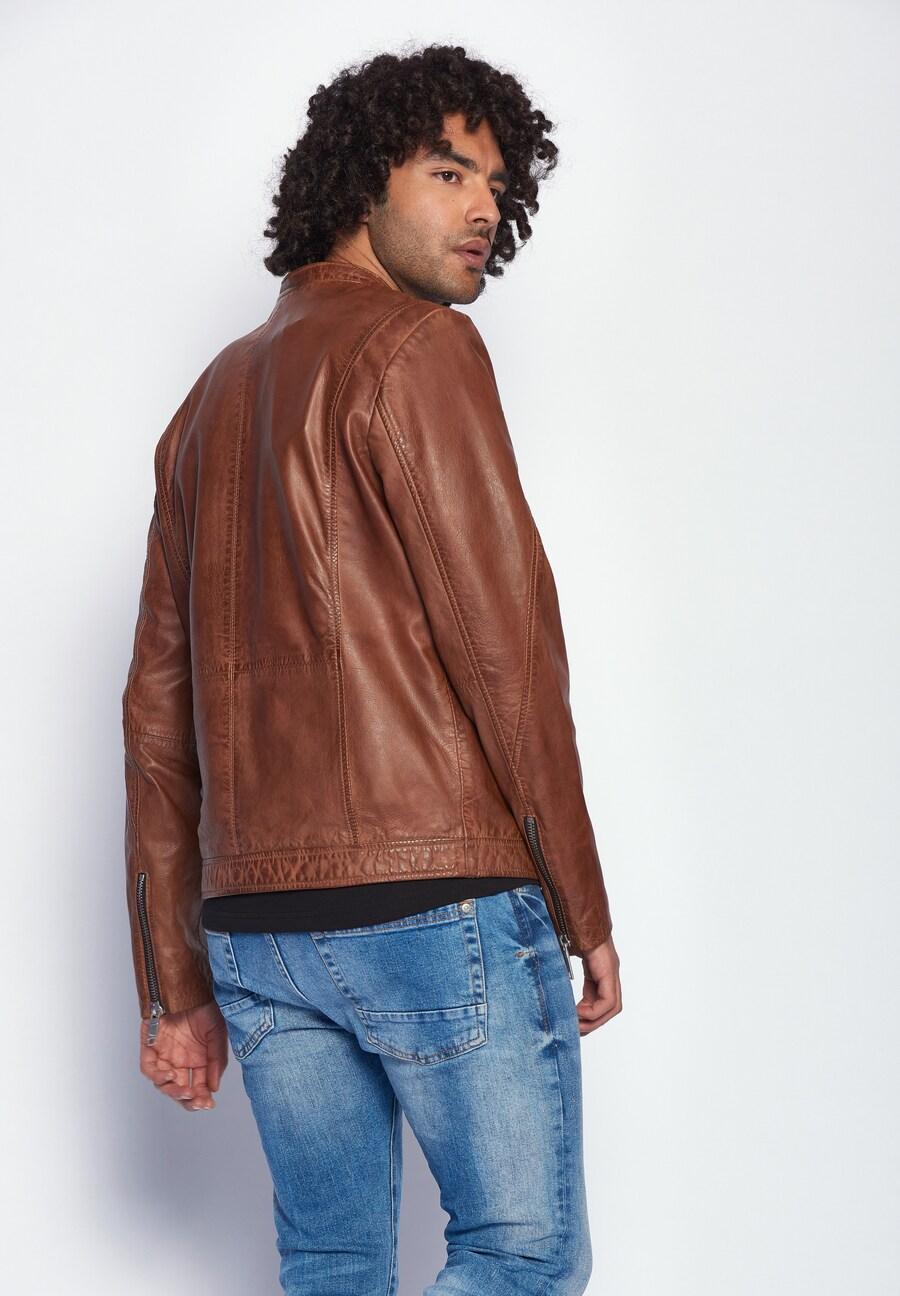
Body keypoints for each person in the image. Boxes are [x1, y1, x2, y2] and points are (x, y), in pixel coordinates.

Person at [122, 42, 622, 1295]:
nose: (481, 208)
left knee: (333, 1265)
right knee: (522, 1256)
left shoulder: (208, 403)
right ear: (360, 182)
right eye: (448, 172)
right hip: (433, 905)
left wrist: (176, 984)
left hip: (258, 933)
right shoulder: (418, 349)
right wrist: (583, 905)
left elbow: (153, 717)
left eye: (497, 185)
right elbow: (508, 653)